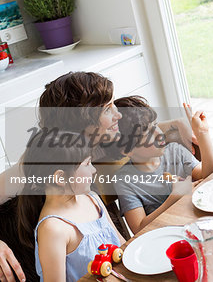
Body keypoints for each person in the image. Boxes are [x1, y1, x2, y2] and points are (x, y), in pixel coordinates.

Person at [0, 71, 196, 281]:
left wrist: (176, 125)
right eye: (107, 108)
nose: (118, 114)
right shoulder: (38, 163)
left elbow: (135, 133)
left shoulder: (95, 142)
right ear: (82, 122)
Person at [17, 131, 125, 282]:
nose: (93, 170)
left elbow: (122, 246)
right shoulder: (53, 228)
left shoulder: (92, 199)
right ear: (60, 177)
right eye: (87, 164)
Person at [112, 96, 213, 234]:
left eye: (155, 125)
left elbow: (212, 176)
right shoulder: (125, 180)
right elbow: (139, 228)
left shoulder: (175, 151)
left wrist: (202, 133)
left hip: (198, 226)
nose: (159, 133)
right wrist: (174, 197)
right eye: (148, 133)